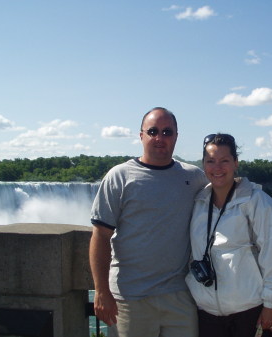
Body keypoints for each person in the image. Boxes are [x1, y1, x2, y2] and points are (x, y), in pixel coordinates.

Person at [89, 107, 208, 337]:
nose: (159, 138)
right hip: (130, 298)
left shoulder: (193, 177)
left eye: (167, 132)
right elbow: (100, 236)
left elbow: (224, 197)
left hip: (180, 296)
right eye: (153, 131)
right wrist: (101, 291)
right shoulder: (120, 176)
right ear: (141, 135)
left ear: (176, 136)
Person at [185, 133, 272, 337]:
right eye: (211, 161)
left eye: (224, 161)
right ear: (203, 165)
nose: (217, 168)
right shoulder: (198, 203)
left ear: (236, 163)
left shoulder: (256, 201)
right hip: (207, 314)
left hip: (249, 312)